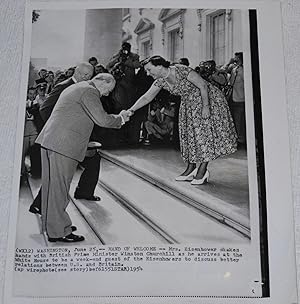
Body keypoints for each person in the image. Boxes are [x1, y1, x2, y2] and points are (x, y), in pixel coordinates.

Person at [35, 73, 131, 243]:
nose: (107, 94)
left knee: (52, 187)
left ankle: (53, 224)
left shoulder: (77, 87)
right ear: (101, 82)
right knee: (59, 188)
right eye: (108, 90)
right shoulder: (89, 91)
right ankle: (58, 231)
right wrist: (121, 118)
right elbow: (101, 119)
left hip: (51, 140)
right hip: (63, 144)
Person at [128, 55, 237, 185]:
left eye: (149, 69)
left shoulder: (180, 70)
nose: (148, 73)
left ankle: (202, 171)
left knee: (204, 135)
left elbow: (203, 85)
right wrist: (131, 110)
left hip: (207, 99)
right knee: (188, 135)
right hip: (189, 103)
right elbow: (146, 97)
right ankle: (190, 169)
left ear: (159, 66)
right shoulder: (161, 80)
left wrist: (206, 107)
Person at [29, 62, 100, 215]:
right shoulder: (64, 86)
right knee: (58, 176)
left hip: (72, 136)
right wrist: (58, 129)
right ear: (83, 75)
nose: (90, 79)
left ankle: (82, 192)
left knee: (91, 160)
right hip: (63, 137)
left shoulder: (76, 86)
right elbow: (45, 108)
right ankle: (44, 207)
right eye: (89, 76)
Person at [107, 42, 141, 145]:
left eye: (127, 48)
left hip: (130, 86)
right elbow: (109, 65)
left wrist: (126, 60)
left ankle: (128, 137)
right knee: (118, 107)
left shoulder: (134, 56)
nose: (125, 49)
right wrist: (118, 57)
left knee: (128, 108)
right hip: (119, 84)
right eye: (124, 48)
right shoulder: (117, 55)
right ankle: (118, 136)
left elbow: (137, 65)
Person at [224, 52, 246, 148]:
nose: (234, 59)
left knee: (239, 120)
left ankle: (241, 140)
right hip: (231, 97)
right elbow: (222, 70)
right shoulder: (233, 68)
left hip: (240, 98)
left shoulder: (244, 70)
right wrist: (229, 62)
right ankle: (236, 138)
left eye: (236, 57)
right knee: (233, 120)